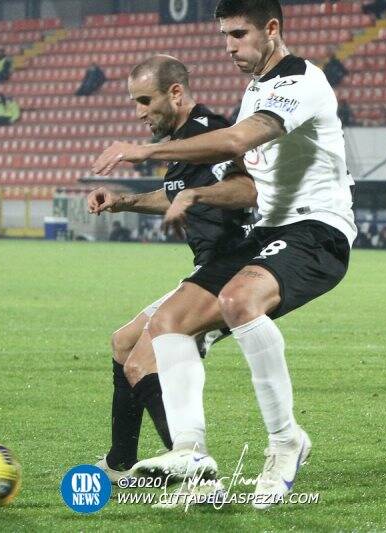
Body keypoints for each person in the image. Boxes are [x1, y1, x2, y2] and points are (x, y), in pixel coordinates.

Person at [92, 0, 356, 508]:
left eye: (238, 34)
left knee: (239, 299)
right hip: (270, 232)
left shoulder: (300, 81)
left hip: (318, 228)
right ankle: (190, 453)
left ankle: (285, 441)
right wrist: (173, 195)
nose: (230, 46)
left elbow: (236, 142)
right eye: (225, 36)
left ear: (272, 29)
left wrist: (143, 151)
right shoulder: (255, 89)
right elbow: (244, 175)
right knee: (167, 322)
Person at [86, 54, 256, 482]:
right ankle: (120, 461)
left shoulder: (208, 132)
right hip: (209, 268)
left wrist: (198, 196)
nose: (139, 112)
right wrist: (124, 202)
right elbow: (176, 192)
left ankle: (197, 470)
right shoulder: (184, 144)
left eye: (145, 100)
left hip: (236, 267)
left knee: (142, 362)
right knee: (123, 343)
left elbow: (247, 187)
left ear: (175, 93)